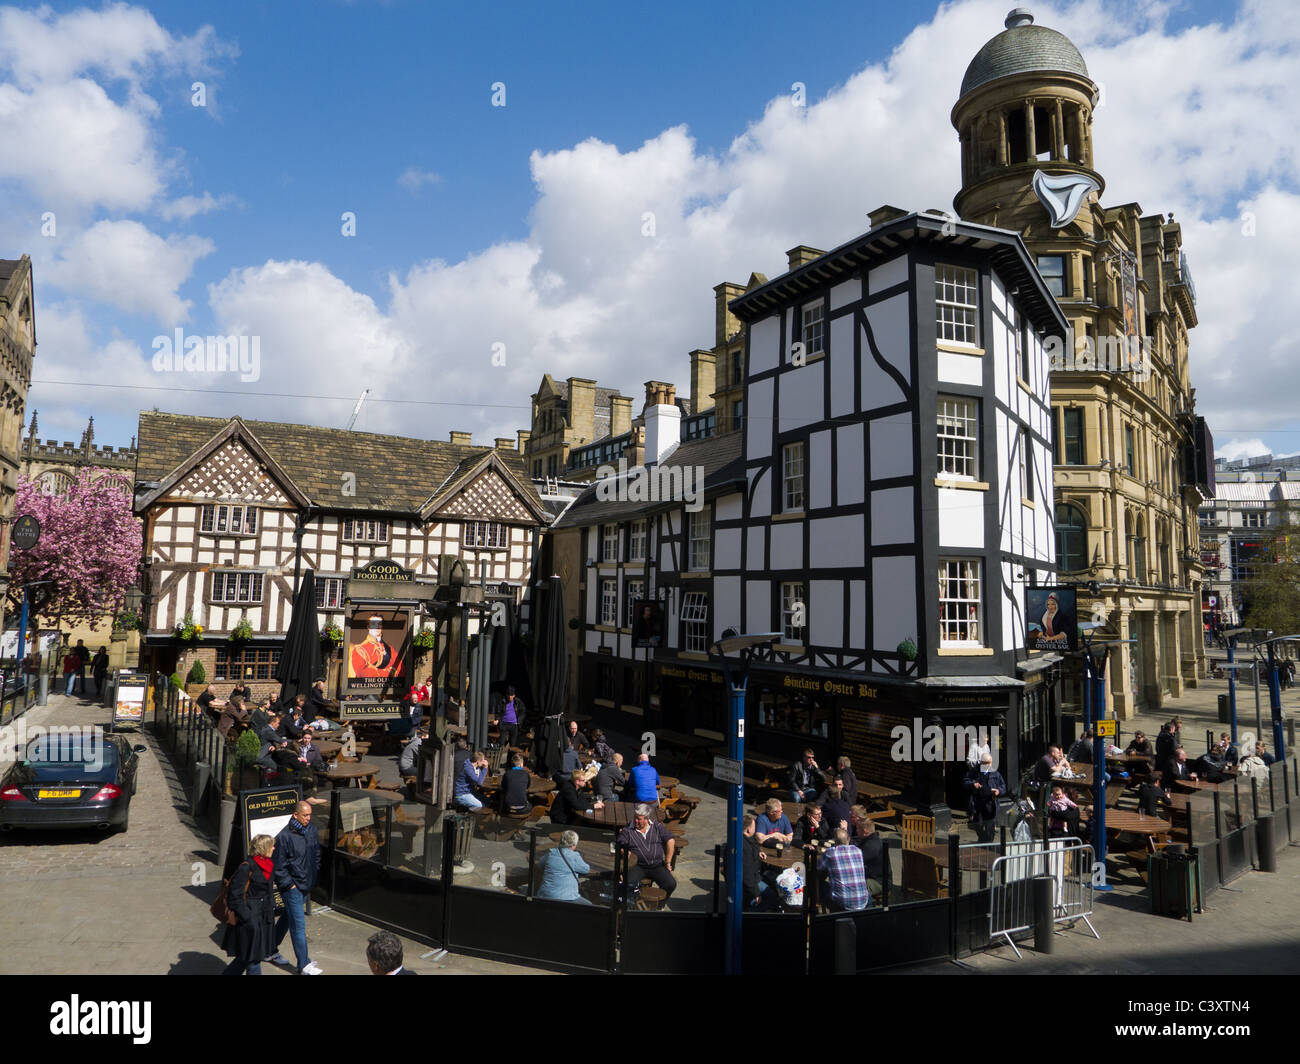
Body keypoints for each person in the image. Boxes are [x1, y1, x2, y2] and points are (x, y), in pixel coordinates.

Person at [269, 802, 323, 975]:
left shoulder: (312, 830)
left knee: (287, 917)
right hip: (292, 888)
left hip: (306, 883)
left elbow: (316, 853)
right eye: (305, 815)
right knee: (298, 926)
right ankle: (304, 965)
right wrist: (289, 884)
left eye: (310, 815)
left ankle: (268, 950)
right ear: (296, 815)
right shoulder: (284, 836)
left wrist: (314, 872)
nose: (308, 819)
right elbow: (278, 866)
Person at [221, 834, 278, 975]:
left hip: (264, 917)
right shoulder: (247, 867)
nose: (274, 848)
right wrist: (247, 917)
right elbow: (234, 896)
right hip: (250, 918)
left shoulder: (269, 865)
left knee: (245, 958)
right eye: (271, 846)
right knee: (253, 959)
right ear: (263, 848)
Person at [618, 804, 676, 901]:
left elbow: (670, 840)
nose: (636, 821)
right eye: (635, 818)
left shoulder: (656, 826)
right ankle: (632, 905)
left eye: (639, 819)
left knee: (671, 884)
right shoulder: (627, 830)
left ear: (646, 819)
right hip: (637, 866)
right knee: (628, 885)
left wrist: (668, 861)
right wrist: (624, 850)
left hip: (657, 865)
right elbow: (621, 842)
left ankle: (660, 904)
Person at [535, 830, 593, 904]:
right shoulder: (574, 856)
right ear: (574, 844)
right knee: (589, 905)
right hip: (567, 898)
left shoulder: (551, 853)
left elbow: (540, 865)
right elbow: (586, 869)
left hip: (545, 895)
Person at [819, 828, 869, 912]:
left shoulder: (830, 853)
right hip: (863, 901)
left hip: (842, 903)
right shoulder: (858, 851)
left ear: (834, 840)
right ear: (849, 839)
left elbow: (819, 868)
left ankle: (821, 914)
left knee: (820, 882)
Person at [848, 807, 889, 901]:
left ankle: (865, 909)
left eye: (858, 829)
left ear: (865, 831)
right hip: (870, 876)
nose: (856, 831)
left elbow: (856, 862)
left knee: (852, 890)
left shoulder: (872, 845)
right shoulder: (868, 839)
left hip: (878, 881)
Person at [964, 754, 1006, 843]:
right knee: (977, 824)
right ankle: (982, 838)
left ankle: (988, 843)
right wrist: (973, 784)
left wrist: (998, 791)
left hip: (991, 803)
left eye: (989, 763)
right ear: (981, 762)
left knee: (990, 826)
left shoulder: (995, 773)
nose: (988, 765)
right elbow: (965, 781)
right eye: (985, 763)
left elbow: (1003, 786)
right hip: (978, 802)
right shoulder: (974, 772)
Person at [740, 814, 777, 910]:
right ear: (748, 829)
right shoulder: (745, 848)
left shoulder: (747, 838)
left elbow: (755, 845)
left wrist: (759, 852)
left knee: (774, 879)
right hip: (751, 880)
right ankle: (752, 912)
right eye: (754, 827)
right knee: (771, 895)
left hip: (755, 875)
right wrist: (756, 893)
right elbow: (747, 874)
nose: (756, 829)